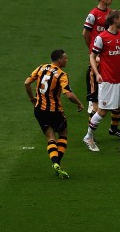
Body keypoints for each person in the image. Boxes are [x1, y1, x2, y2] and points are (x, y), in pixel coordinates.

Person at [24, 49, 85, 178]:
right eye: (65, 58)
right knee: (63, 134)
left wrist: (31, 98)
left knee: (50, 137)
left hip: (39, 110)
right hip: (55, 111)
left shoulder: (41, 67)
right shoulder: (61, 74)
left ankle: (56, 163)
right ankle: (57, 163)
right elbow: (68, 94)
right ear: (59, 60)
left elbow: (27, 83)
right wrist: (79, 103)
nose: (67, 60)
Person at [85, 10, 120, 154]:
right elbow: (92, 56)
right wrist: (97, 73)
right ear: (114, 20)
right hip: (107, 80)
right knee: (103, 111)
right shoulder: (102, 38)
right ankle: (89, 137)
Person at [81, 0, 120, 138]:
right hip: (97, 61)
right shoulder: (93, 15)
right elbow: (85, 33)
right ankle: (91, 133)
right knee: (96, 102)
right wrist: (92, 49)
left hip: (109, 61)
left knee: (117, 98)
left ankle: (113, 128)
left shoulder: (111, 15)